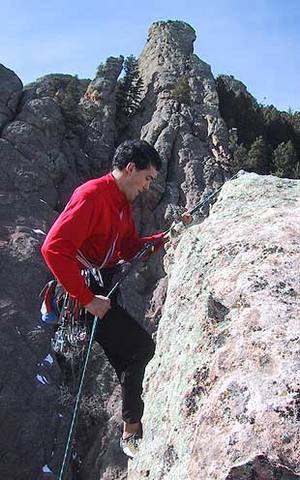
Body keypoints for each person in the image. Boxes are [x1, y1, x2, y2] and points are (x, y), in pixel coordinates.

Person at [41, 139, 170, 459]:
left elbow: (127, 248)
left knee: (132, 355)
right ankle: (131, 432)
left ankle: (132, 428)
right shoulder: (91, 197)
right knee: (140, 349)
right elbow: (53, 249)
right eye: (148, 177)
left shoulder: (121, 204)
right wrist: (87, 300)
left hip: (102, 289)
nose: (148, 186)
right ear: (130, 169)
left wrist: (163, 239)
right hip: (86, 293)